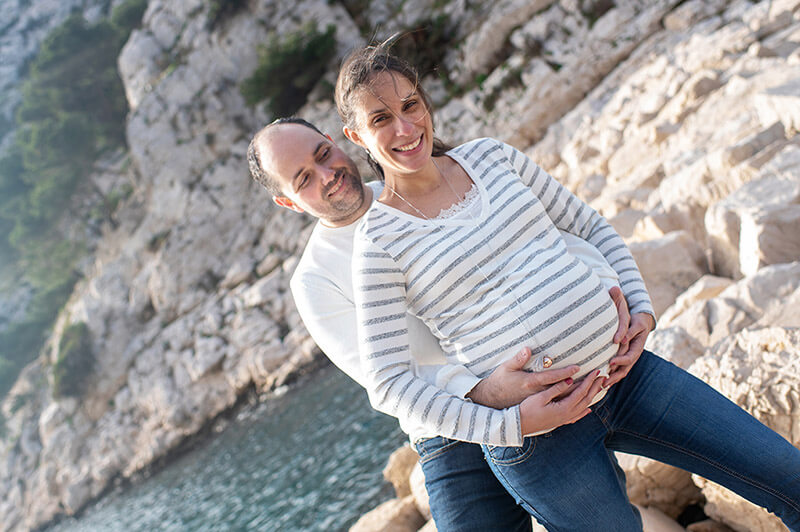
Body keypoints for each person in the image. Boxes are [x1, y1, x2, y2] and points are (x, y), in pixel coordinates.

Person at [335, 42, 800, 531]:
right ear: (357, 135)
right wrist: (505, 425)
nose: (406, 128)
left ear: (425, 103)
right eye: (381, 118)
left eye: (411, 105)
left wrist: (641, 310)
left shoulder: (494, 158)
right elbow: (388, 385)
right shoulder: (378, 242)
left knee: (784, 474)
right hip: (540, 442)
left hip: (627, 377)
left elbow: (590, 226)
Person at [246, 117, 636, 531]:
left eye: (323, 154)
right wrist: (483, 392)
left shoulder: (419, 188)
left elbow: (545, 240)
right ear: (288, 202)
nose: (328, 175)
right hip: (446, 429)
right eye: (304, 179)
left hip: (534, 378)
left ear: (334, 141)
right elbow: (385, 377)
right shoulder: (314, 280)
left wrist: (612, 292)